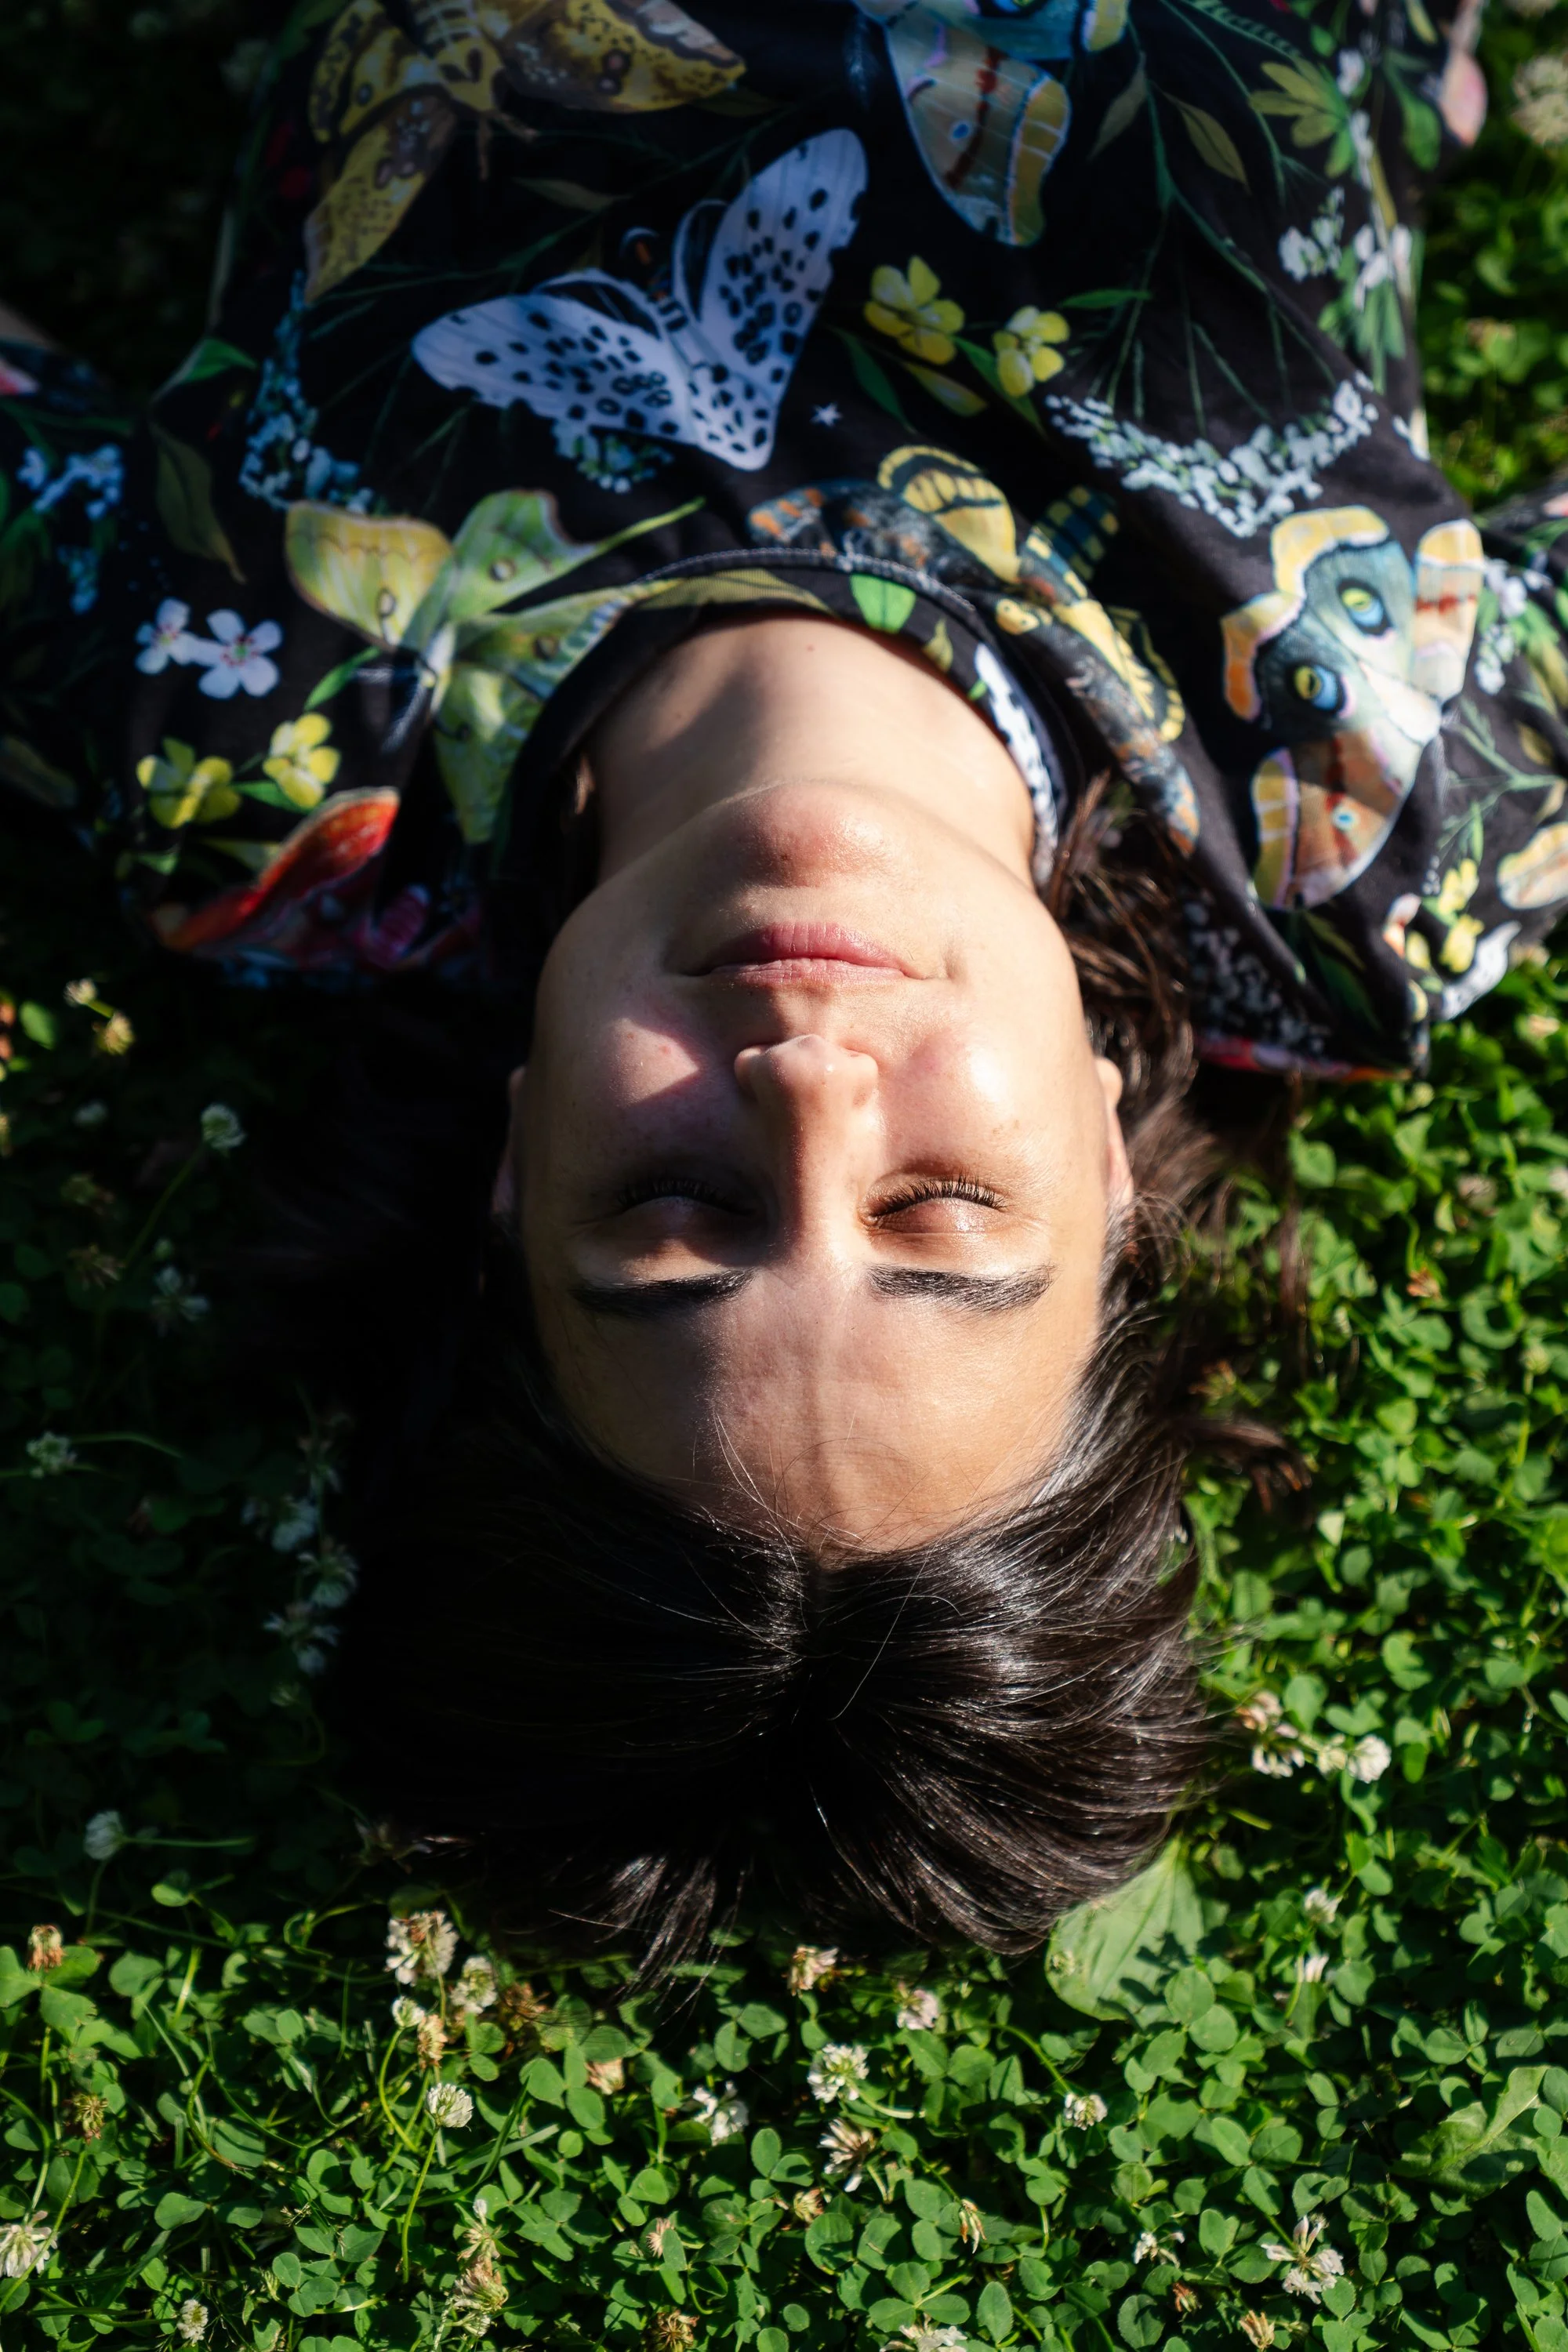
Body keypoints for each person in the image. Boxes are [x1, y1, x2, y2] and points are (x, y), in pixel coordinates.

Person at [2, 0, 1564, 1962]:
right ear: (1106, 1164)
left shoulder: (245, 741)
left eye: (674, 1210)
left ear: (511, 1170)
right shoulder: (1375, 827)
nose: (810, 1086)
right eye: (943, 1204)